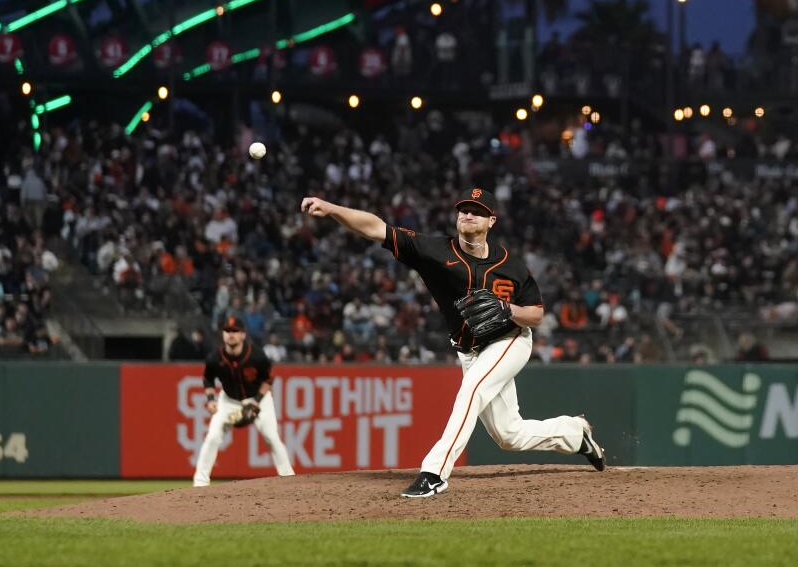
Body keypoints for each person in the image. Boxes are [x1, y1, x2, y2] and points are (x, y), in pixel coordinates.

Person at [300, 187, 605, 499]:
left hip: (509, 341)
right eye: (463, 209)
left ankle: (434, 472)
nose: (467, 214)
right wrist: (332, 208)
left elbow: (536, 315)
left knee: (471, 390)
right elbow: (377, 228)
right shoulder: (434, 250)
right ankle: (574, 434)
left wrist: (507, 309)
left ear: (491, 221)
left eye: (476, 211)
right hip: (470, 350)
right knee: (509, 435)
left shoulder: (510, 265)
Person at [191, 315, 294, 486]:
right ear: (223, 334)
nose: (230, 334)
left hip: (258, 399)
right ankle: (200, 483)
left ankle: (289, 479)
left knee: (271, 437)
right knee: (213, 436)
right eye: (227, 331)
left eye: (235, 331)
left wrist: (256, 401)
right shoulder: (215, 358)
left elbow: (269, 379)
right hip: (229, 400)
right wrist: (210, 399)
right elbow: (207, 379)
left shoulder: (256, 355)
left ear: (243, 335)